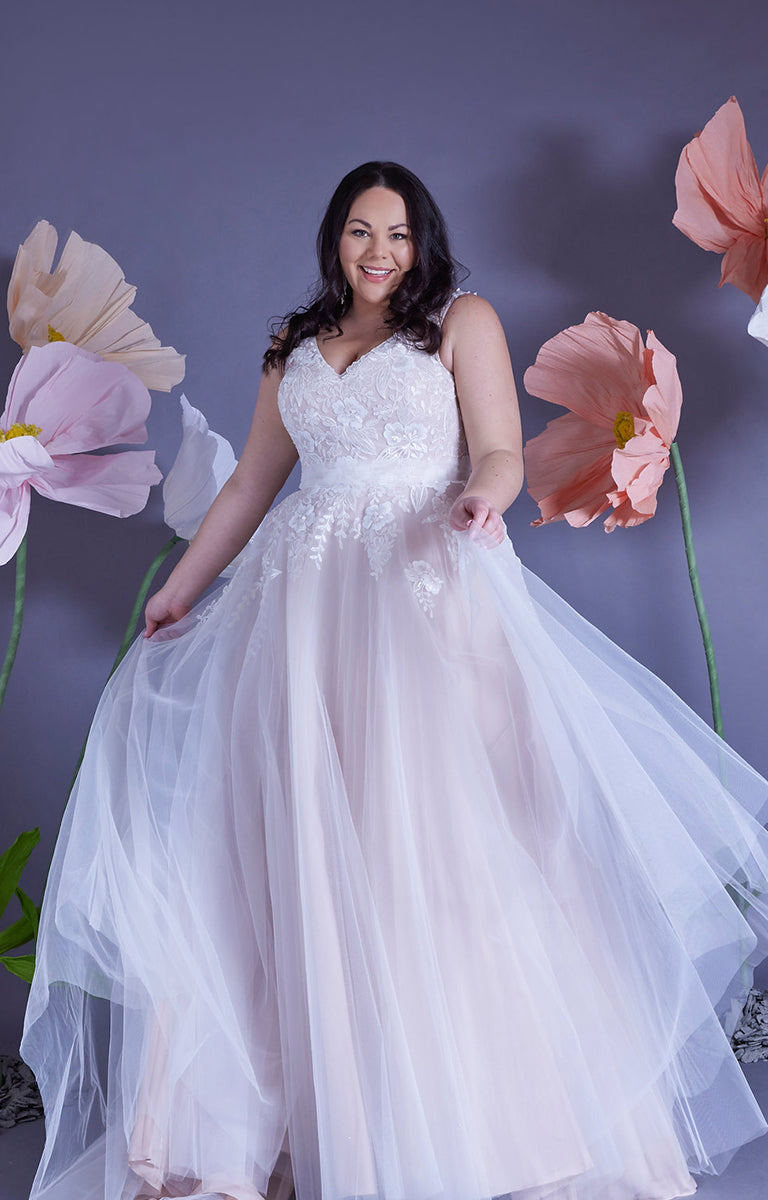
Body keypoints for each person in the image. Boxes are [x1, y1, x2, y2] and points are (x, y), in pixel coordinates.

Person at [21, 161, 768, 1200]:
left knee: (442, 845)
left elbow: (500, 449)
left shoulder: (463, 322)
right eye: (363, 232)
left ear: (425, 245)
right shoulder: (296, 347)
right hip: (301, 609)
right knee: (301, 853)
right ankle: (313, 1122)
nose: (381, 252)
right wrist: (182, 588)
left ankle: (465, 1122)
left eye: (401, 235)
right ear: (336, 238)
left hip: (422, 587)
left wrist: (483, 502)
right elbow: (249, 484)